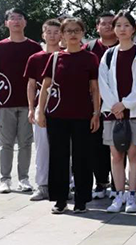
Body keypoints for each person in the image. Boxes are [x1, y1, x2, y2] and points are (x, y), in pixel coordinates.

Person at [36, 17, 101, 214]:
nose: (72, 34)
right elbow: (45, 87)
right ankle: (60, 200)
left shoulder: (90, 58)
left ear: (82, 33)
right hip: (57, 115)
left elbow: (95, 89)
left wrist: (96, 113)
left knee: (82, 158)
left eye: (76, 30)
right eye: (68, 31)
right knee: (58, 158)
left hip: (83, 115)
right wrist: (40, 111)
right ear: (62, 35)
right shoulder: (55, 58)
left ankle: (81, 200)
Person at [99, 11, 136, 213]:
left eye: (126, 25)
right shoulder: (108, 55)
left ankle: (132, 195)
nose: (122, 29)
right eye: (118, 25)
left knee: (133, 153)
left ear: (133, 29)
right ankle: (118, 195)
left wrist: (125, 104)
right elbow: (103, 83)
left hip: (135, 111)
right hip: (111, 111)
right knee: (116, 155)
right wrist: (115, 105)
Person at [0, 8, 43, 194]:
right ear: (6, 23)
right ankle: (5, 179)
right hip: (5, 104)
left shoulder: (34, 47)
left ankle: (24, 179)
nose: (16, 21)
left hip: (29, 104)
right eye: (12, 18)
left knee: (26, 143)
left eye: (19, 18)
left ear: (25, 22)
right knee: (6, 144)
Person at [23, 19, 62, 201]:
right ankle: (42, 185)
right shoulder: (35, 58)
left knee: (64, 149)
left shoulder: (66, 56)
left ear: (61, 34)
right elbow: (31, 85)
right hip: (42, 109)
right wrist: (32, 108)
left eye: (56, 32)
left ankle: (64, 185)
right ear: (43, 35)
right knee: (42, 148)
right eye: (49, 32)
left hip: (63, 107)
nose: (52, 35)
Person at [83, 12, 118, 200]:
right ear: (97, 27)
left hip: (118, 105)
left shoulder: (124, 47)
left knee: (118, 144)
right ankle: (101, 182)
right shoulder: (89, 48)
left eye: (111, 23)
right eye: (103, 23)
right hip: (94, 105)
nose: (108, 26)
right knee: (96, 145)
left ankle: (117, 183)